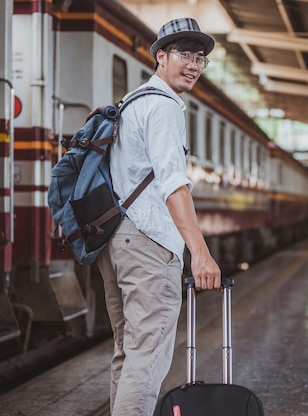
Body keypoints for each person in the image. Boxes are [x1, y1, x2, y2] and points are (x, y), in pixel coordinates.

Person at [96, 18, 222, 416]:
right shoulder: (164, 106)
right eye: (185, 54)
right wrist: (200, 253)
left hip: (116, 241)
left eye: (200, 58)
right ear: (160, 57)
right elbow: (174, 185)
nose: (194, 65)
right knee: (147, 358)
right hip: (149, 244)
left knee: (128, 353)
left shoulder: (132, 102)